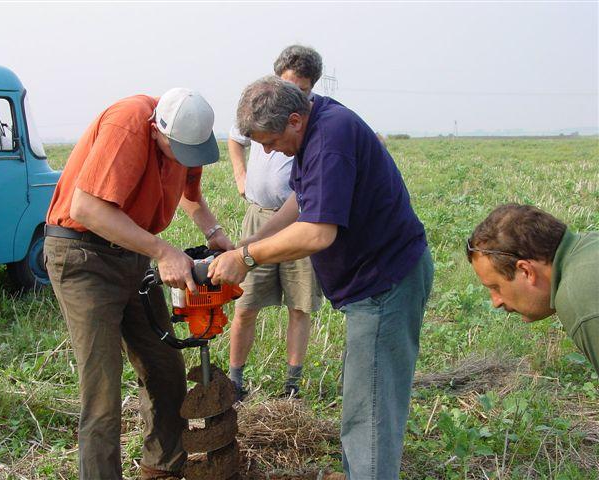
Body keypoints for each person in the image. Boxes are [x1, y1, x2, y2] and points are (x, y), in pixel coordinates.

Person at [208, 76, 434, 480]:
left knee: (372, 408)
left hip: (385, 283)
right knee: (363, 398)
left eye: (269, 140)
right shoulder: (317, 124)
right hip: (373, 284)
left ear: (294, 120)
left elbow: (317, 231)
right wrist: (256, 237)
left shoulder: (330, 139)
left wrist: (246, 256)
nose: (265, 150)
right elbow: (301, 199)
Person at [44, 89, 234, 480]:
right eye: (177, 150)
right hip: (84, 257)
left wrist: (215, 234)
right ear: (156, 131)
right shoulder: (128, 123)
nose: (185, 159)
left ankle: (161, 469)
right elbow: (87, 208)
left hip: (132, 254)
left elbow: (191, 197)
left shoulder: (188, 139)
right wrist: (164, 252)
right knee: (102, 394)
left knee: (166, 369)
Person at [227, 45, 324, 399]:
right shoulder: (262, 107)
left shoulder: (316, 124)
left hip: (301, 223)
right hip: (260, 215)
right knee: (246, 303)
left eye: (301, 91)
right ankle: (234, 382)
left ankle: (292, 385)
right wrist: (240, 177)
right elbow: (235, 140)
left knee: (300, 305)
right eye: (287, 86)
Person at [467, 204, 599, 374]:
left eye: (496, 287)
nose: (495, 302)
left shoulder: (579, 299)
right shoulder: (590, 244)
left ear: (526, 271)